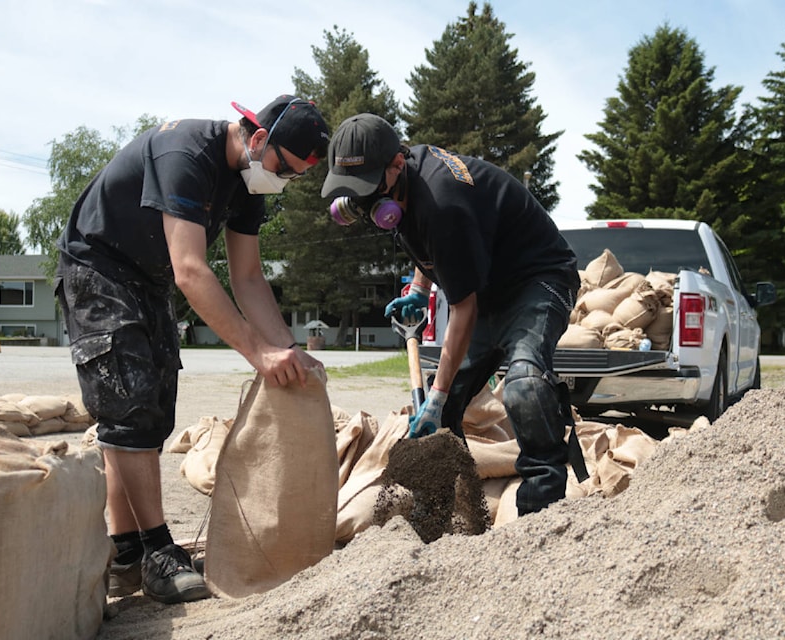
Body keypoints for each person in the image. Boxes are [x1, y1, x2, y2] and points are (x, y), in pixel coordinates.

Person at [55, 95, 330, 604]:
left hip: (146, 280)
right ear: (258, 139)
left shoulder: (249, 183)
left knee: (148, 415)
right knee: (130, 406)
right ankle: (159, 553)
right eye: (283, 169)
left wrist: (288, 347)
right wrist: (257, 353)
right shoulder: (184, 155)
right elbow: (191, 270)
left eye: (293, 176)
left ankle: (126, 556)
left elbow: (248, 277)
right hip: (98, 266)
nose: (283, 180)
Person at [321, 113, 586, 516]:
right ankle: (449, 507)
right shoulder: (403, 185)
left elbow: (463, 308)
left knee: (524, 383)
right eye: (350, 191)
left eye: (366, 188)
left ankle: (542, 506)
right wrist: (418, 289)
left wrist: (437, 394)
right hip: (488, 285)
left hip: (538, 279)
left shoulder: (443, 199)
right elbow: (425, 242)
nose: (361, 202)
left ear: (397, 164)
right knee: (444, 409)